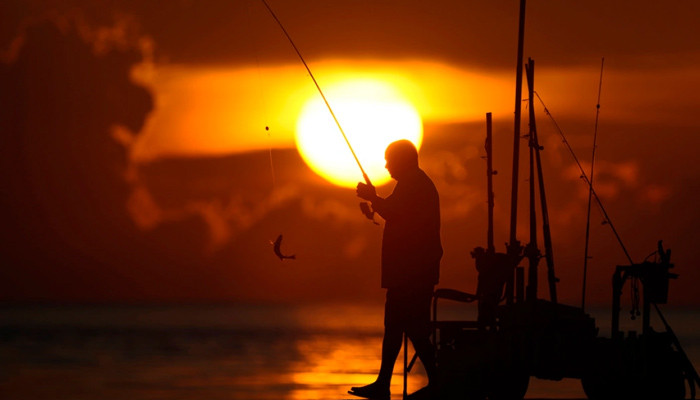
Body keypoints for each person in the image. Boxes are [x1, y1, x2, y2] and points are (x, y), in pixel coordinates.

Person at [350, 139, 442, 400]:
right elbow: (393, 210)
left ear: (404, 161)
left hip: (413, 274)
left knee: (412, 327)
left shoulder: (417, 185)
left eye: (390, 160)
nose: (386, 165)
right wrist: (375, 199)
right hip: (406, 273)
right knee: (396, 326)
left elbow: (395, 213)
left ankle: (434, 382)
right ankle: (385, 383)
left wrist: (373, 198)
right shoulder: (410, 185)